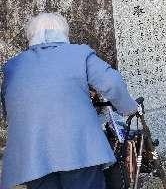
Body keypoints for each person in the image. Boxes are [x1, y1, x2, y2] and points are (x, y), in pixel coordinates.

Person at [1, 13, 139, 189]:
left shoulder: (13, 66)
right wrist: (128, 108)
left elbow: (8, 106)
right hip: (78, 148)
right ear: (64, 33)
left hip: (31, 154)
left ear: (31, 36)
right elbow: (112, 83)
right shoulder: (79, 54)